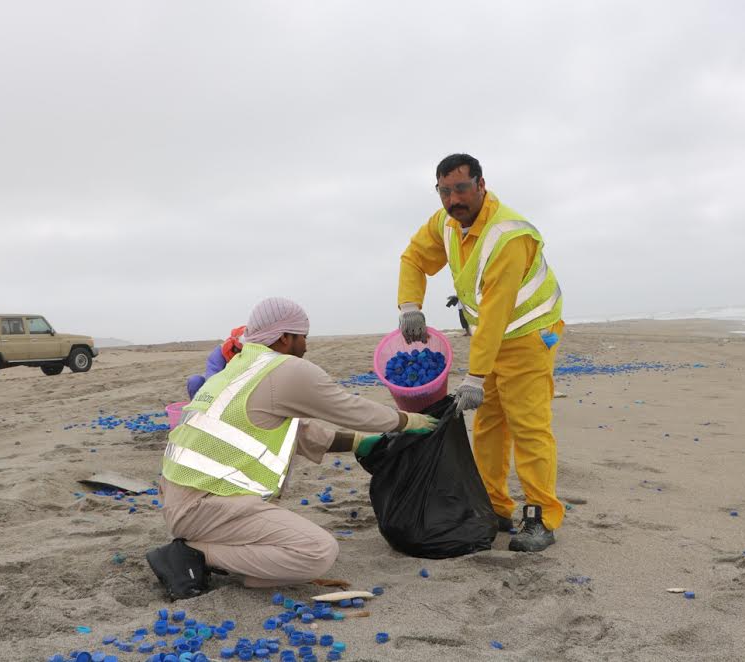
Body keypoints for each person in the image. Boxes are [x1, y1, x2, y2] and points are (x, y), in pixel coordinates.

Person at [148, 297, 438, 593]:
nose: (306, 346)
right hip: (203, 507)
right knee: (318, 551)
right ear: (285, 337)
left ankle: (216, 551)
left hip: (180, 500)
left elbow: (298, 432)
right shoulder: (284, 370)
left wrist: (359, 443)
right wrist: (407, 421)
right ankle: (195, 554)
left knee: (276, 567)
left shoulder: (239, 368)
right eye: (303, 337)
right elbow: (349, 408)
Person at [397, 153, 564, 552]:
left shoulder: (508, 236)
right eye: (444, 191)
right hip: (490, 339)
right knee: (490, 426)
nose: (453, 200)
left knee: (528, 426)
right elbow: (414, 257)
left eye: (461, 189)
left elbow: (495, 312)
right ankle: (495, 506)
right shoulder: (446, 224)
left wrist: (475, 377)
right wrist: (410, 305)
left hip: (527, 336)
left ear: (481, 185)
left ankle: (541, 517)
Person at [185, 325, 246, 399]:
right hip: (219, 385)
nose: (238, 353)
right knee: (195, 381)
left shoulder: (254, 353)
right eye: (237, 350)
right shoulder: (220, 352)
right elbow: (212, 378)